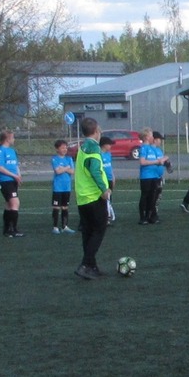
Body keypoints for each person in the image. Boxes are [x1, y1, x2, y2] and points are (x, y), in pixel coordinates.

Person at [73, 116, 111, 280]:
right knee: (99, 230)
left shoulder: (82, 146)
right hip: (93, 196)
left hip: (82, 196)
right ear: (96, 131)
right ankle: (85, 264)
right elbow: (95, 170)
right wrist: (104, 189)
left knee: (88, 232)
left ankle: (92, 266)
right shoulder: (94, 148)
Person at [0, 130, 25, 237]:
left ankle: (7, 230)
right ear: (7, 139)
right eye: (13, 137)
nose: (14, 139)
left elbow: (15, 165)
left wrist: (18, 176)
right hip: (5, 180)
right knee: (15, 203)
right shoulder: (0, 151)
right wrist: (14, 176)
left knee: (9, 204)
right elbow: (0, 168)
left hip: (13, 180)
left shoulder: (12, 151)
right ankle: (13, 229)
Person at [137, 128, 167, 225]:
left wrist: (162, 161)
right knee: (145, 196)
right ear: (146, 137)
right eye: (151, 136)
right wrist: (157, 162)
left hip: (154, 176)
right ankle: (143, 218)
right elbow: (142, 162)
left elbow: (157, 160)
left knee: (152, 197)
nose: (153, 138)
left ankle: (150, 216)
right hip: (146, 176)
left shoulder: (152, 149)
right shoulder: (143, 148)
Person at [50, 139, 75, 235]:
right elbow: (58, 171)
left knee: (65, 207)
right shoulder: (55, 159)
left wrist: (64, 169)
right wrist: (66, 168)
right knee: (56, 207)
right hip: (58, 187)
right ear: (57, 149)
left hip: (67, 187)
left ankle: (65, 226)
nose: (65, 149)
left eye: (66, 147)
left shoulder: (69, 159)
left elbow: (72, 171)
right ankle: (55, 227)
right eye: (62, 148)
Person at [99, 135, 116, 224]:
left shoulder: (109, 154)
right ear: (104, 145)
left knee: (109, 198)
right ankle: (103, 217)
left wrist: (113, 177)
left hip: (109, 179)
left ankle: (107, 216)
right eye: (109, 144)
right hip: (103, 180)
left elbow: (110, 167)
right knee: (103, 198)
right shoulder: (99, 154)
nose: (110, 146)